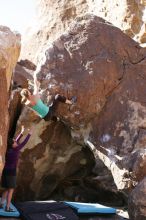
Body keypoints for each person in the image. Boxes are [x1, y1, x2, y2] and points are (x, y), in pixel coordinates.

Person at [0, 125, 33, 212]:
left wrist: (21, 133)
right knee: (11, 190)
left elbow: (16, 141)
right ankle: (7, 208)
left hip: (6, 171)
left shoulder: (10, 149)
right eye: (15, 142)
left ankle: (1, 204)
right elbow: (24, 143)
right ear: (13, 144)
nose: (16, 142)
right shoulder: (16, 150)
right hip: (11, 172)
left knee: (7, 188)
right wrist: (29, 134)